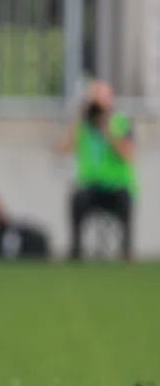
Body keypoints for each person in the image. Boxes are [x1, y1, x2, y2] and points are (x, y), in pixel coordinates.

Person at [58, 80, 137, 261]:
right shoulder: (82, 126)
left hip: (116, 187)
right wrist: (75, 121)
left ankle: (126, 251)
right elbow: (62, 150)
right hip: (91, 188)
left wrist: (107, 129)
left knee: (126, 199)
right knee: (76, 198)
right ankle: (76, 251)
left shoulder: (121, 122)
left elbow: (127, 154)